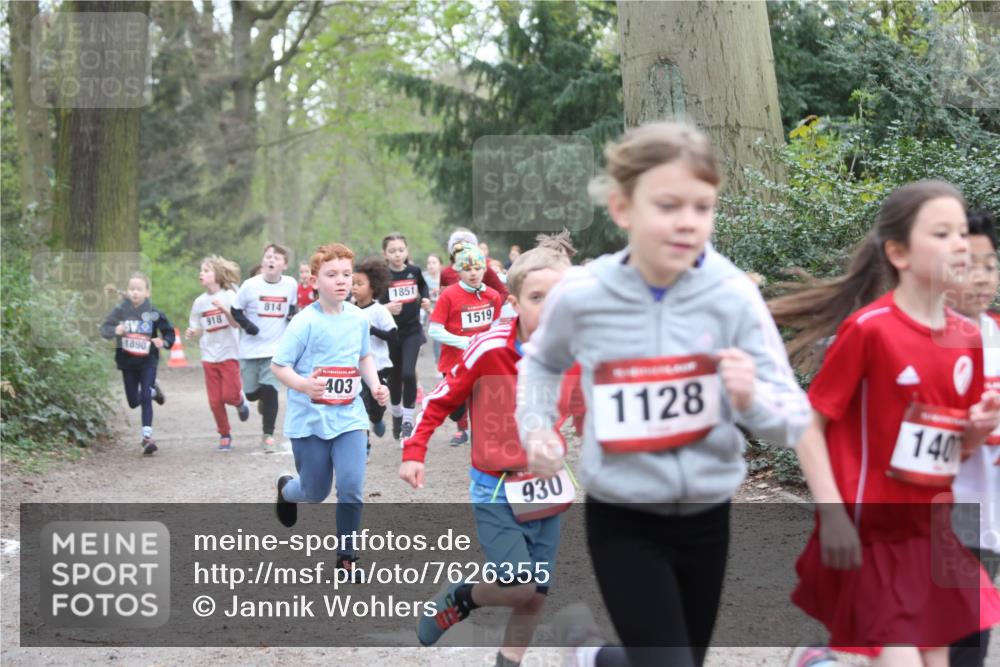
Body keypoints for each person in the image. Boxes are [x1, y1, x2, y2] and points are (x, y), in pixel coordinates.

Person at [516, 121, 811, 667]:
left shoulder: (731, 297)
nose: (687, 222)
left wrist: (749, 401)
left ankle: (589, 656)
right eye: (669, 205)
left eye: (702, 207)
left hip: (707, 516)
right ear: (623, 207)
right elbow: (541, 362)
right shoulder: (584, 295)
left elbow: (792, 417)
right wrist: (537, 428)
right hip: (624, 516)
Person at [768, 182, 1000, 666]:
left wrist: (978, 426)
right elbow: (810, 424)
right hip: (870, 532)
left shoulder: (967, 338)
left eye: (962, 231)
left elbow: (955, 448)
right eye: (942, 233)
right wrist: (832, 515)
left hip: (931, 535)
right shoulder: (871, 329)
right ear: (898, 252)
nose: (961, 244)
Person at [400, 234, 578, 666]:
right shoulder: (490, 348)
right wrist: (414, 450)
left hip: (545, 487)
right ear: (514, 303)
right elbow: (441, 397)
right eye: (537, 297)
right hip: (495, 488)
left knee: (536, 595)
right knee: (518, 585)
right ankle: (459, 597)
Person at [271, 243, 390, 573]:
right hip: (310, 420)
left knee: (351, 487)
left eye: (347, 274)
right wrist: (305, 385)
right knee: (315, 491)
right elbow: (279, 366)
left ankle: (347, 556)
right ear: (314, 281)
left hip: (349, 416)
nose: (341, 281)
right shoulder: (304, 323)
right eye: (332, 274)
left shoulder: (358, 318)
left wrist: (375, 384)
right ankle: (286, 489)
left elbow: (364, 356)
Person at [947, 209, 1000, 667]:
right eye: (968, 267)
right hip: (936, 514)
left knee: (972, 644)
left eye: (990, 265)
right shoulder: (924, 337)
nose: (982, 279)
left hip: (985, 516)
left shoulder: (996, 332)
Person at [429, 242, 504, 446]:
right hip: (454, 362)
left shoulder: (493, 296)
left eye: (477, 268)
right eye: (467, 269)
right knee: (456, 410)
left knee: (482, 405)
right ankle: (458, 417)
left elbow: (496, 327)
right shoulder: (449, 295)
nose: (473, 273)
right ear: (459, 271)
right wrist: (465, 342)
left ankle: (483, 444)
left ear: (484, 269)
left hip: (481, 362)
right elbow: (434, 330)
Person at [231, 244, 298, 452]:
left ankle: (268, 435)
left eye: (277, 258)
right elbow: (235, 310)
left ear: (284, 265)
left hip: (275, 349)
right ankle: (256, 398)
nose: (271, 260)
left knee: (271, 390)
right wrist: (248, 326)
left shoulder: (290, 284)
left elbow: (292, 306)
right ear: (262, 262)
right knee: (251, 393)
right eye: (268, 256)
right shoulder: (250, 285)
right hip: (250, 349)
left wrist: (291, 316)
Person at [100, 272, 176, 456]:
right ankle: (153, 391)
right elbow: (104, 329)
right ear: (127, 291)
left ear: (147, 292)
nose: (135, 292)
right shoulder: (120, 311)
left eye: (139, 289)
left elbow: (169, 333)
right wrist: (115, 330)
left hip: (147, 361)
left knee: (143, 398)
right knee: (134, 401)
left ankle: (147, 437)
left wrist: (163, 342)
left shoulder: (153, 312)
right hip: (127, 362)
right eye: (132, 289)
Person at [185, 256, 251, 451]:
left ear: (217, 275)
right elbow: (197, 327)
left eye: (206, 270)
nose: (201, 274)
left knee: (229, 395)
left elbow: (237, 324)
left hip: (229, 352)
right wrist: (192, 332)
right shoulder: (199, 302)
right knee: (215, 400)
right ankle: (224, 434)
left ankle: (239, 402)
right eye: (201, 270)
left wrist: (224, 310)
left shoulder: (230, 296)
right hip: (208, 355)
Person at [379, 233, 431, 442]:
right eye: (392, 251)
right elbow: (374, 305)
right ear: (385, 254)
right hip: (391, 334)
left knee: (409, 374)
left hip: (412, 331)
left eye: (401, 250)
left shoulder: (414, 271)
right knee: (395, 377)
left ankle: (408, 421)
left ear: (406, 251)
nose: (397, 254)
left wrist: (425, 298)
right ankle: (397, 415)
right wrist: (386, 308)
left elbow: (423, 286)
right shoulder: (383, 277)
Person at [352, 257, 398, 457]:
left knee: (376, 407)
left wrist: (373, 330)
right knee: (360, 405)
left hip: (379, 367)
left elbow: (393, 336)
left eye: (359, 284)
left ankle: (378, 419)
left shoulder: (379, 310)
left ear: (373, 287)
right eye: (352, 282)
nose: (354, 287)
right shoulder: (348, 309)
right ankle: (364, 445)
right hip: (356, 369)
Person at [441, 228, 509, 299]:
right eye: (459, 246)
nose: (463, 250)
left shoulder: (481, 268)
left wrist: (492, 307)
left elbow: (503, 292)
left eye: (467, 245)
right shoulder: (445, 273)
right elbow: (442, 298)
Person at [424, 253, 443, 364]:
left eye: (434, 262)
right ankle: (438, 362)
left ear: (440, 265)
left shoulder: (444, 279)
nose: (431, 265)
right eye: (429, 263)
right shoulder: (424, 280)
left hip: (443, 308)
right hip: (429, 309)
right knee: (436, 337)